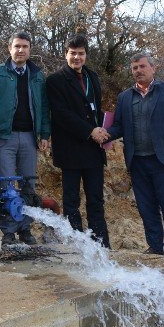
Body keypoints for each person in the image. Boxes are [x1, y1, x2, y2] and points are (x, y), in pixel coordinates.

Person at [105, 53, 164, 259]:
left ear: (153, 68)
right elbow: (119, 126)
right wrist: (104, 133)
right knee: (146, 208)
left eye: (142, 66)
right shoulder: (125, 97)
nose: (138, 71)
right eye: (134, 68)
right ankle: (155, 249)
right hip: (137, 161)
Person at [0, 31, 51, 245]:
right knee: (6, 186)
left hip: (30, 137)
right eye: (17, 46)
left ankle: (25, 229)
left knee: (28, 186)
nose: (21, 50)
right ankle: (9, 232)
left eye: (25, 47)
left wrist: (45, 134)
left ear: (30, 50)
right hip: (5, 137)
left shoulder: (37, 75)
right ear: (9, 48)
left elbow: (44, 107)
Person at [45, 35, 110, 248]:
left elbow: (94, 109)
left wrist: (102, 130)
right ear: (66, 54)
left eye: (81, 53)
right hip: (71, 150)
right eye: (72, 53)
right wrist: (90, 131)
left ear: (86, 55)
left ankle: (101, 245)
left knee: (96, 201)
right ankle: (78, 246)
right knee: (71, 202)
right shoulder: (55, 80)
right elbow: (62, 114)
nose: (77, 57)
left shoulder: (93, 77)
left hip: (93, 150)